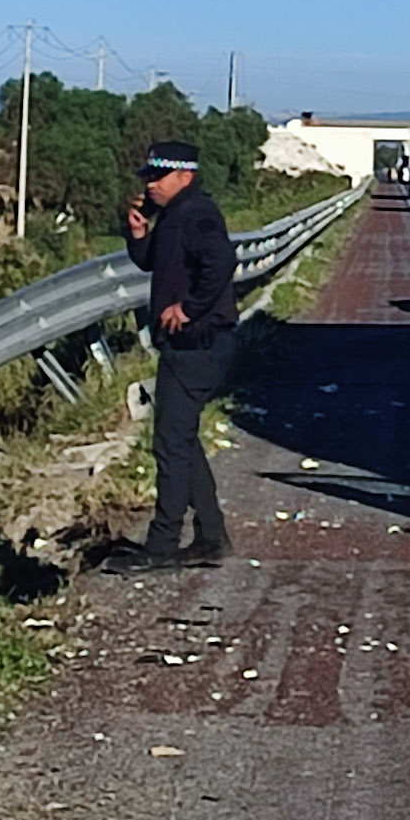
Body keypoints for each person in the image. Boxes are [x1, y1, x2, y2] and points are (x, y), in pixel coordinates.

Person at [117, 143, 240, 569]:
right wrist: (137, 234)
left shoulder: (197, 213)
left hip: (199, 344)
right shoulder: (173, 215)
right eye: (147, 177)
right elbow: (156, 262)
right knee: (181, 439)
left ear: (185, 176)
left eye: (158, 177)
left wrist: (188, 308)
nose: (149, 184)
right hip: (188, 345)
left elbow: (221, 260)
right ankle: (211, 537)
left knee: (169, 443)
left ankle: (162, 544)